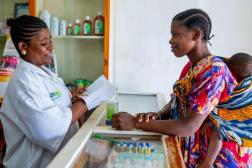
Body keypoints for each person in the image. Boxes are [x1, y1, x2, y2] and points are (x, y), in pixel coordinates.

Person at [111, 9, 252, 167]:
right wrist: (158, 115)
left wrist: (135, 123)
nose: (170, 40)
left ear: (196, 35)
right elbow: (177, 100)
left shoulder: (214, 72)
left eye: (175, 34)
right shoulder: (192, 68)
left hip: (219, 161)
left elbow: (188, 127)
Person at [0, 15, 89, 168]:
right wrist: (86, 101)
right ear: (23, 47)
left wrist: (71, 99)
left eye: (50, 41)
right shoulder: (24, 81)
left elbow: (52, 105)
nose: (51, 47)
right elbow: (49, 128)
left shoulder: (43, 72)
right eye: (44, 43)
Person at [199, 52, 252, 167]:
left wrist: (211, 119)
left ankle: (208, 162)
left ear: (235, 75)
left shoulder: (242, 89)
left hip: (232, 143)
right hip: (240, 149)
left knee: (218, 129)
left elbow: (222, 108)